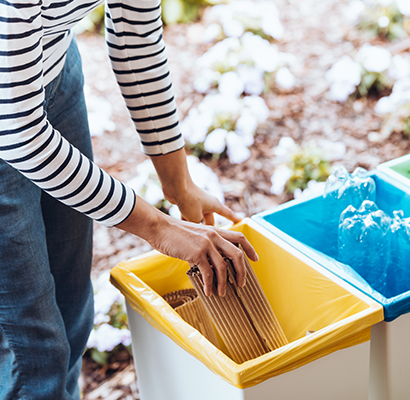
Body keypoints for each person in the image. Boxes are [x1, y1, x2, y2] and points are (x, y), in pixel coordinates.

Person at [0, 0, 258, 398]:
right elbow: (22, 135)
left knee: (72, 313)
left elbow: (134, 36)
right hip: (13, 118)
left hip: (51, 69)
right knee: (33, 350)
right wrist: (159, 227)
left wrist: (179, 186)